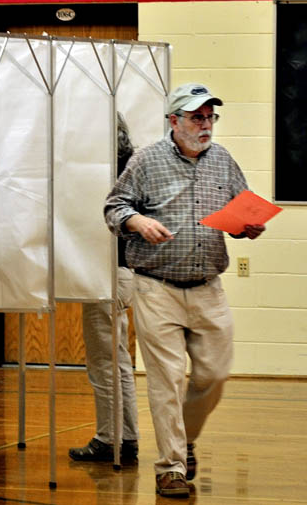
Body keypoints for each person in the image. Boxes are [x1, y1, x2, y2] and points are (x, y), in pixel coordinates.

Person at [103, 83, 265, 498]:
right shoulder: (145, 161)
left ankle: (185, 440)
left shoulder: (223, 161)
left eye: (211, 117)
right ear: (174, 121)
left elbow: (241, 205)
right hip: (157, 287)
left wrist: (249, 226)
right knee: (167, 380)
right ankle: (170, 466)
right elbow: (114, 207)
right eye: (197, 117)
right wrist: (136, 222)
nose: (206, 125)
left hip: (209, 286)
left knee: (213, 375)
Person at [69, 113, 139, 465]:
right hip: (125, 272)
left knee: (103, 362)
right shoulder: (133, 164)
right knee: (119, 360)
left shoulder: (100, 173)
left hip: (105, 272)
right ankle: (126, 438)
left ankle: (109, 439)